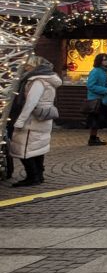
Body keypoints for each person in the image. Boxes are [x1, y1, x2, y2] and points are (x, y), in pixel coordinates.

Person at [9, 57, 60, 187]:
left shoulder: (37, 81)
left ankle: (33, 176)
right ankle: (38, 175)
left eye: (27, 65)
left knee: (25, 149)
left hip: (32, 120)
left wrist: (20, 121)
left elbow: (31, 102)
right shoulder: (47, 79)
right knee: (37, 148)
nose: (25, 67)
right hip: (42, 119)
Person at [84, 53, 107, 146]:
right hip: (96, 100)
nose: (106, 61)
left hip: (102, 99)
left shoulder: (104, 71)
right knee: (95, 121)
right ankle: (92, 139)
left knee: (98, 120)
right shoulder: (96, 71)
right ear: (99, 61)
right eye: (104, 59)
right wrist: (106, 90)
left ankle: (94, 138)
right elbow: (90, 85)